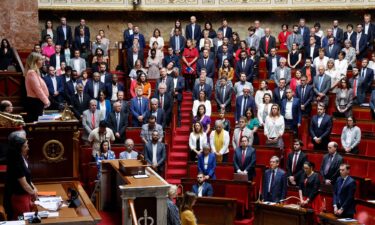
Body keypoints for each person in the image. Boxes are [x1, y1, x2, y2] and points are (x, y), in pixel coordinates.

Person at [4, 137, 37, 220]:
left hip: (24, 196)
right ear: (19, 148)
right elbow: (24, 184)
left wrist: (34, 188)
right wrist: (33, 193)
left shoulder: (20, 157)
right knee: (23, 220)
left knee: (27, 219)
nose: (28, 148)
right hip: (19, 198)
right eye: (25, 146)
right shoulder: (15, 162)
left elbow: (27, 177)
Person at [24, 52, 50, 122]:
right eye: (40, 60)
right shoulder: (31, 73)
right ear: (35, 61)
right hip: (35, 102)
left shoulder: (34, 72)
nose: (42, 62)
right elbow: (38, 89)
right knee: (36, 125)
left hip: (37, 102)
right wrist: (46, 101)